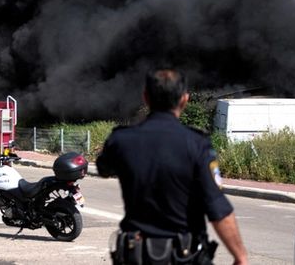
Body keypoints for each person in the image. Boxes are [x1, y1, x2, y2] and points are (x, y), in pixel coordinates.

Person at [97, 69, 248, 265]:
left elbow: (103, 168)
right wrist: (240, 256)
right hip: (183, 256)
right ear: (184, 99)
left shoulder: (120, 140)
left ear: (146, 98)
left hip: (137, 256)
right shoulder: (197, 144)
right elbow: (217, 209)